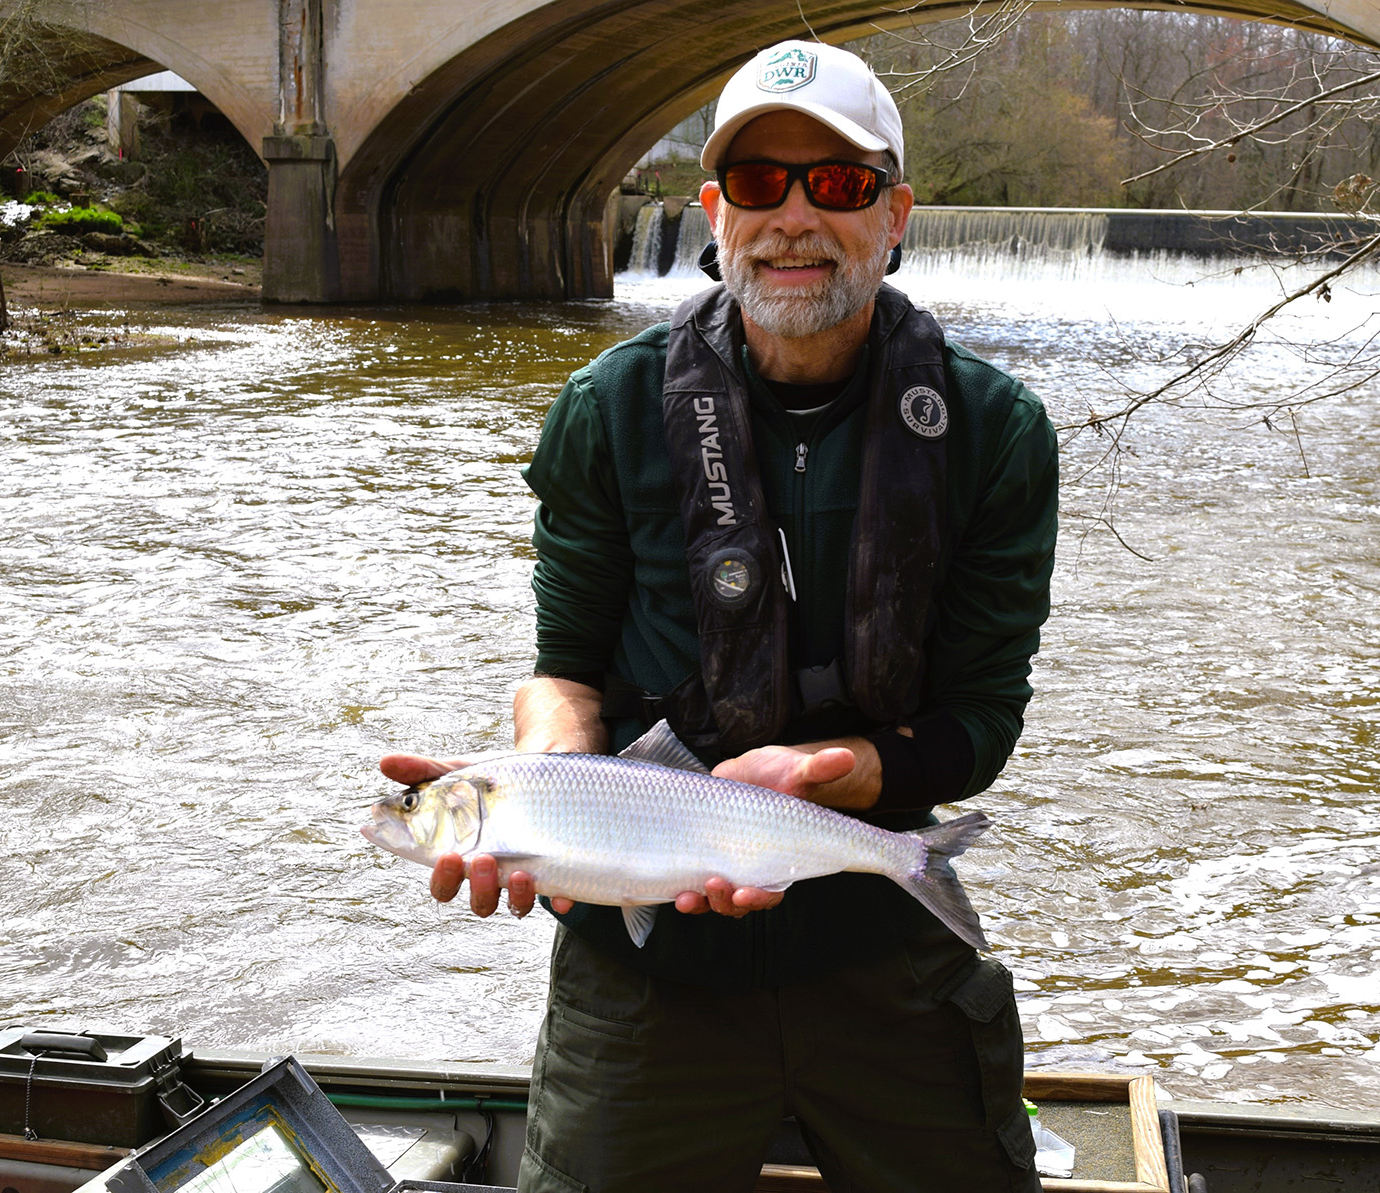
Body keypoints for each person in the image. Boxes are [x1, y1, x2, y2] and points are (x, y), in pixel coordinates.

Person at [381, 38, 1058, 1193]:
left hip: (880, 951)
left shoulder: (992, 432)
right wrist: (549, 770)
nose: (794, 219)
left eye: (836, 185)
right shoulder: (607, 409)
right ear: (715, 209)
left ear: (893, 215)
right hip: (646, 979)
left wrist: (825, 771)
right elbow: (565, 674)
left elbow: (979, 723)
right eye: (759, 184)